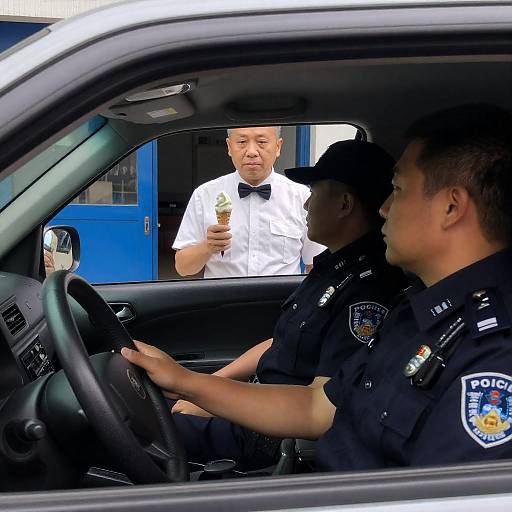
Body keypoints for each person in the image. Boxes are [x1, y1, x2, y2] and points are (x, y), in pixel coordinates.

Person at [123, 103, 512, 472]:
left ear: (450, 207)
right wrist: (184, 381)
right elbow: (315, 406)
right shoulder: (413, 310)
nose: (384, 209)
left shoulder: (493, 354)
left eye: (399, 190)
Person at [168, 140, 405, 470]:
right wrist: (211, 386)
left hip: (273, 435)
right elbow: (282, 344)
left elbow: (318, 408)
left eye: (316, 192)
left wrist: (200, 393)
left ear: (345, 204)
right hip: (257, 406)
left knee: (140, 432)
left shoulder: (366, 290)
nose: (306, 205)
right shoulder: (331, 269)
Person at [172, 126, 324, 278]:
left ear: (278, 147)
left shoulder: (303, 198)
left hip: (281, 300)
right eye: (242, 142)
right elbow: (183, 268)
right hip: (222, 299)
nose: (251, 152)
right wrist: (207, 246)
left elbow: (316, 265)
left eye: (262, 142)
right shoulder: (204, 195)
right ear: (229, 147)